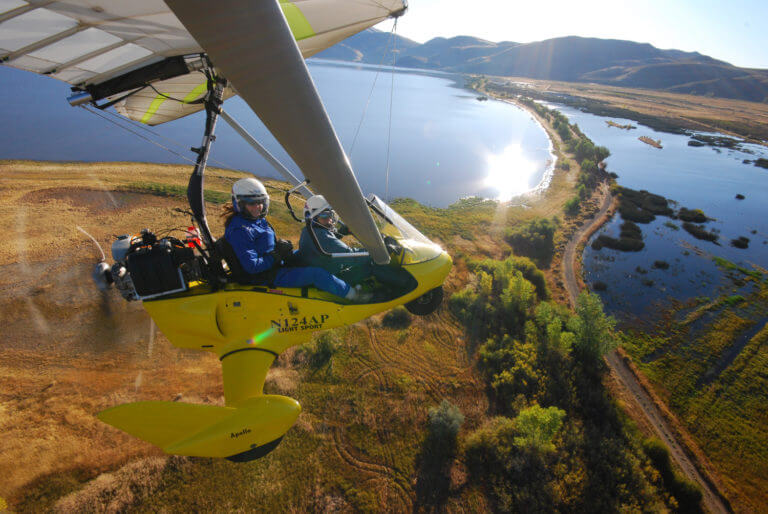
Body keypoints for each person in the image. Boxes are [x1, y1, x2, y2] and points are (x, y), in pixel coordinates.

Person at [223, 178, 367, 302]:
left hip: (276, 265)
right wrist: (275, 255)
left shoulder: (255, 220)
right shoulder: (240, 230)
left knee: (309, 254)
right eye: (251, 203)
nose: (257, 207)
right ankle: (354, 296)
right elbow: (252, 267)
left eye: (260, 202)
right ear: (240, 204)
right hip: (267, 276)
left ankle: (344, 281)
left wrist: (279, 253)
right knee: (316, 274)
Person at [296, 195, 413, 294]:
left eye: (330, 215)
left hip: (325, 269)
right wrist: (380, 251)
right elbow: (350, 257)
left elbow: (324, 247)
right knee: (372, 265)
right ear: (312, 217)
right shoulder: (322, 236)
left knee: (367, 261)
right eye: (324, 216)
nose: (330, 220)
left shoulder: (308, 230)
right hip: (335, 276)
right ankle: (407, 287)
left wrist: (340, 233)